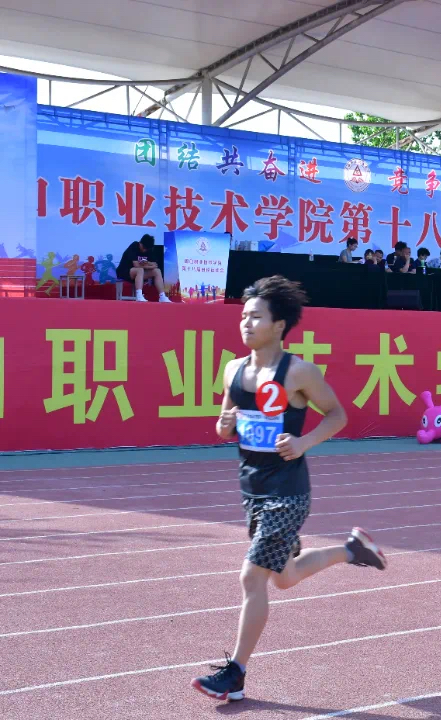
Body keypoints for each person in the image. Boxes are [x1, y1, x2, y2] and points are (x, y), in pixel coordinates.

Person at [191, 275, 388, 702]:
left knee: (252, 577)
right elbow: (225, 427)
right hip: (252, 489)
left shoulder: (298, 371)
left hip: (288, 492)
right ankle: (352, 550)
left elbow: (336, 415)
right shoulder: (234, 370)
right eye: (243, 316)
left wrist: (302, 442)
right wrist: (224, 424)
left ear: (279, 325)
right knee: (285, 576)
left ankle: (235, 673)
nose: (246, 323)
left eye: (255, 317)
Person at [117, 233, 171, 302]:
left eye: (146, 249)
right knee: (140, 270)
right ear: (140, 243)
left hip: (140, 274)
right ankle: (139, 295)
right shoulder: (134, 246)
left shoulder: (149, 249)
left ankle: (162, 296)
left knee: (157, 271)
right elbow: (136, 265)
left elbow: (155, 264)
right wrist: (149, 266)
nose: (144, 250)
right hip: (125, 272)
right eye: (143, 248)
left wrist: (147, 263)